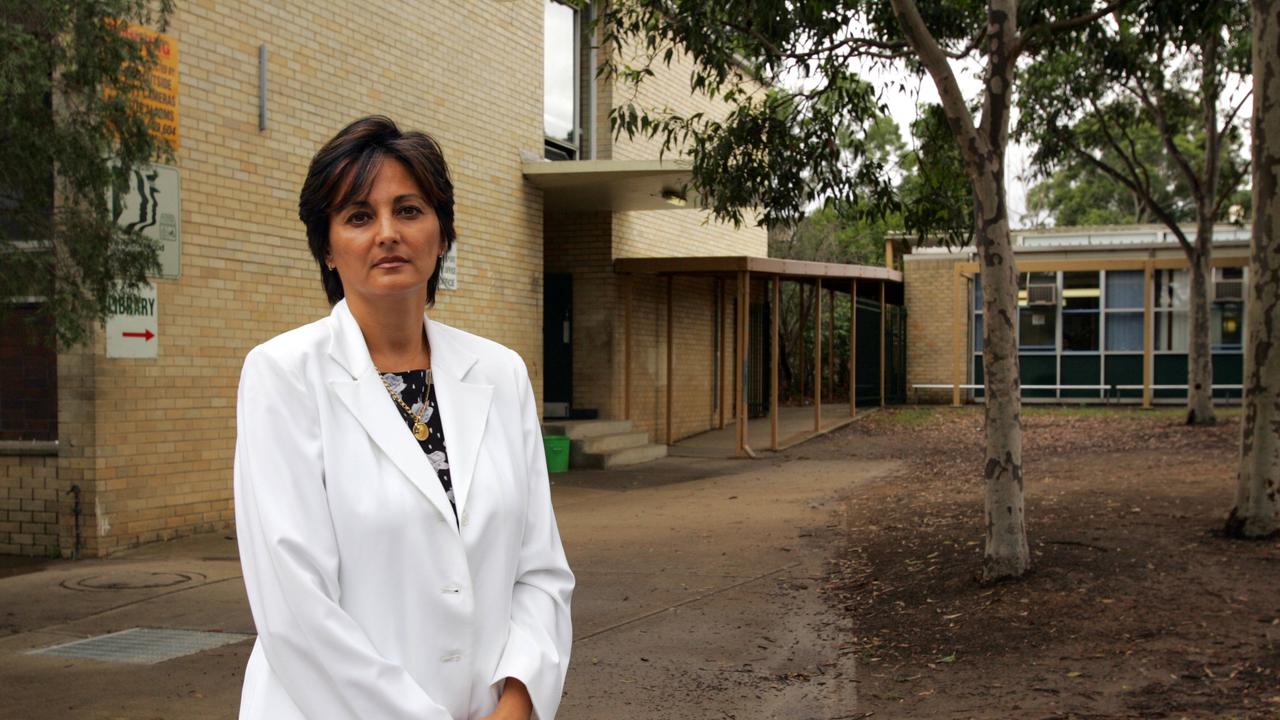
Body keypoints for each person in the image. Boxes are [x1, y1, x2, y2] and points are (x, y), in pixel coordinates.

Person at [233, 116, 574, 720]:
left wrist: (518, 701)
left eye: (409, 209)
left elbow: (540, 571)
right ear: (328, 248)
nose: (387, 233)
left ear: (441, 235)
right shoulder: (283, 376)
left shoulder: (499, 374)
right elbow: (295, 608)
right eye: (359, 216)